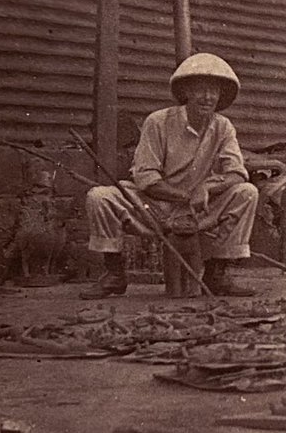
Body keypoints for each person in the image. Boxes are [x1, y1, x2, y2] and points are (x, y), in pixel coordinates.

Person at [81, 52, 258, 298]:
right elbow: (146, 178)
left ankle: (217, 274)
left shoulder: (223, 126)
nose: (208, 97)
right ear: (186, 92)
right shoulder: (158, 121)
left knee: (246, 193)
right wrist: (186, 195)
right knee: (100, 197)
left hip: (199, 208)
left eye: (214, 91)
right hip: (154, 205)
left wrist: (205, 188)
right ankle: (114, 274)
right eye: (201, 89)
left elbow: (237, 173)